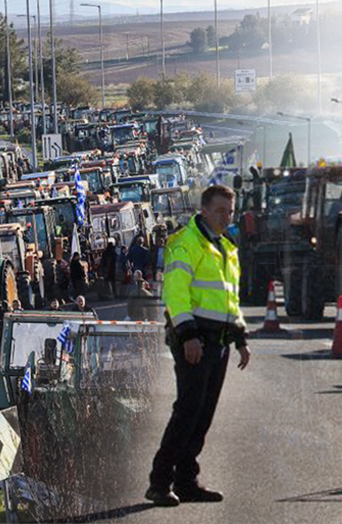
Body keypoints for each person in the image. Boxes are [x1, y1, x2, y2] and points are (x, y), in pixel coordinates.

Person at [148, 184, 250, 508]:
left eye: (230, 212)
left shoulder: (226, 248)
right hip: (194, 340)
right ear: (204, 210)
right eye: (220, 210)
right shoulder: (185, 243)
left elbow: (229, 300)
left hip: (218, 342)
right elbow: (176, 295)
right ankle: (159, 482)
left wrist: (241, 339)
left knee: (203, 414)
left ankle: (186, 481)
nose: (226, 217)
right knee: (187, 412)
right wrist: (189, 336)